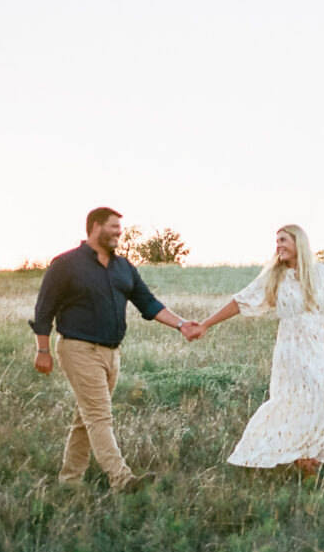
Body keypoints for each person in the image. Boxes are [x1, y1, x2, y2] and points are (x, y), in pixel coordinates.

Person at [189, 225, 324, 476]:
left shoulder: (323, 274)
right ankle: (297, 457)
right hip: (292, 346)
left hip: (321, 343)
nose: (279, 246)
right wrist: (206, 324)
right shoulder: (274, 276)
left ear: (299, 243)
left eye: (284, 240)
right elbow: (240, 301)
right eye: (277, 242)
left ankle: (306, 453)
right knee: (295, 399)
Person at [30, 207, 199, 493]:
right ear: (95, 227)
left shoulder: (124, 267)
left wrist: (181, 324)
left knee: (86, 417)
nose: (120, 232)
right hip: (77, 348)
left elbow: (148, 303)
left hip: (112, 352)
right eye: (114, 227)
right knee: (99, 416)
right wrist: (42, 350)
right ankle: (122, 480)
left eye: (120, 228)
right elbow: (44, 308)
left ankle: (69, 482)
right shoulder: (66, 264)